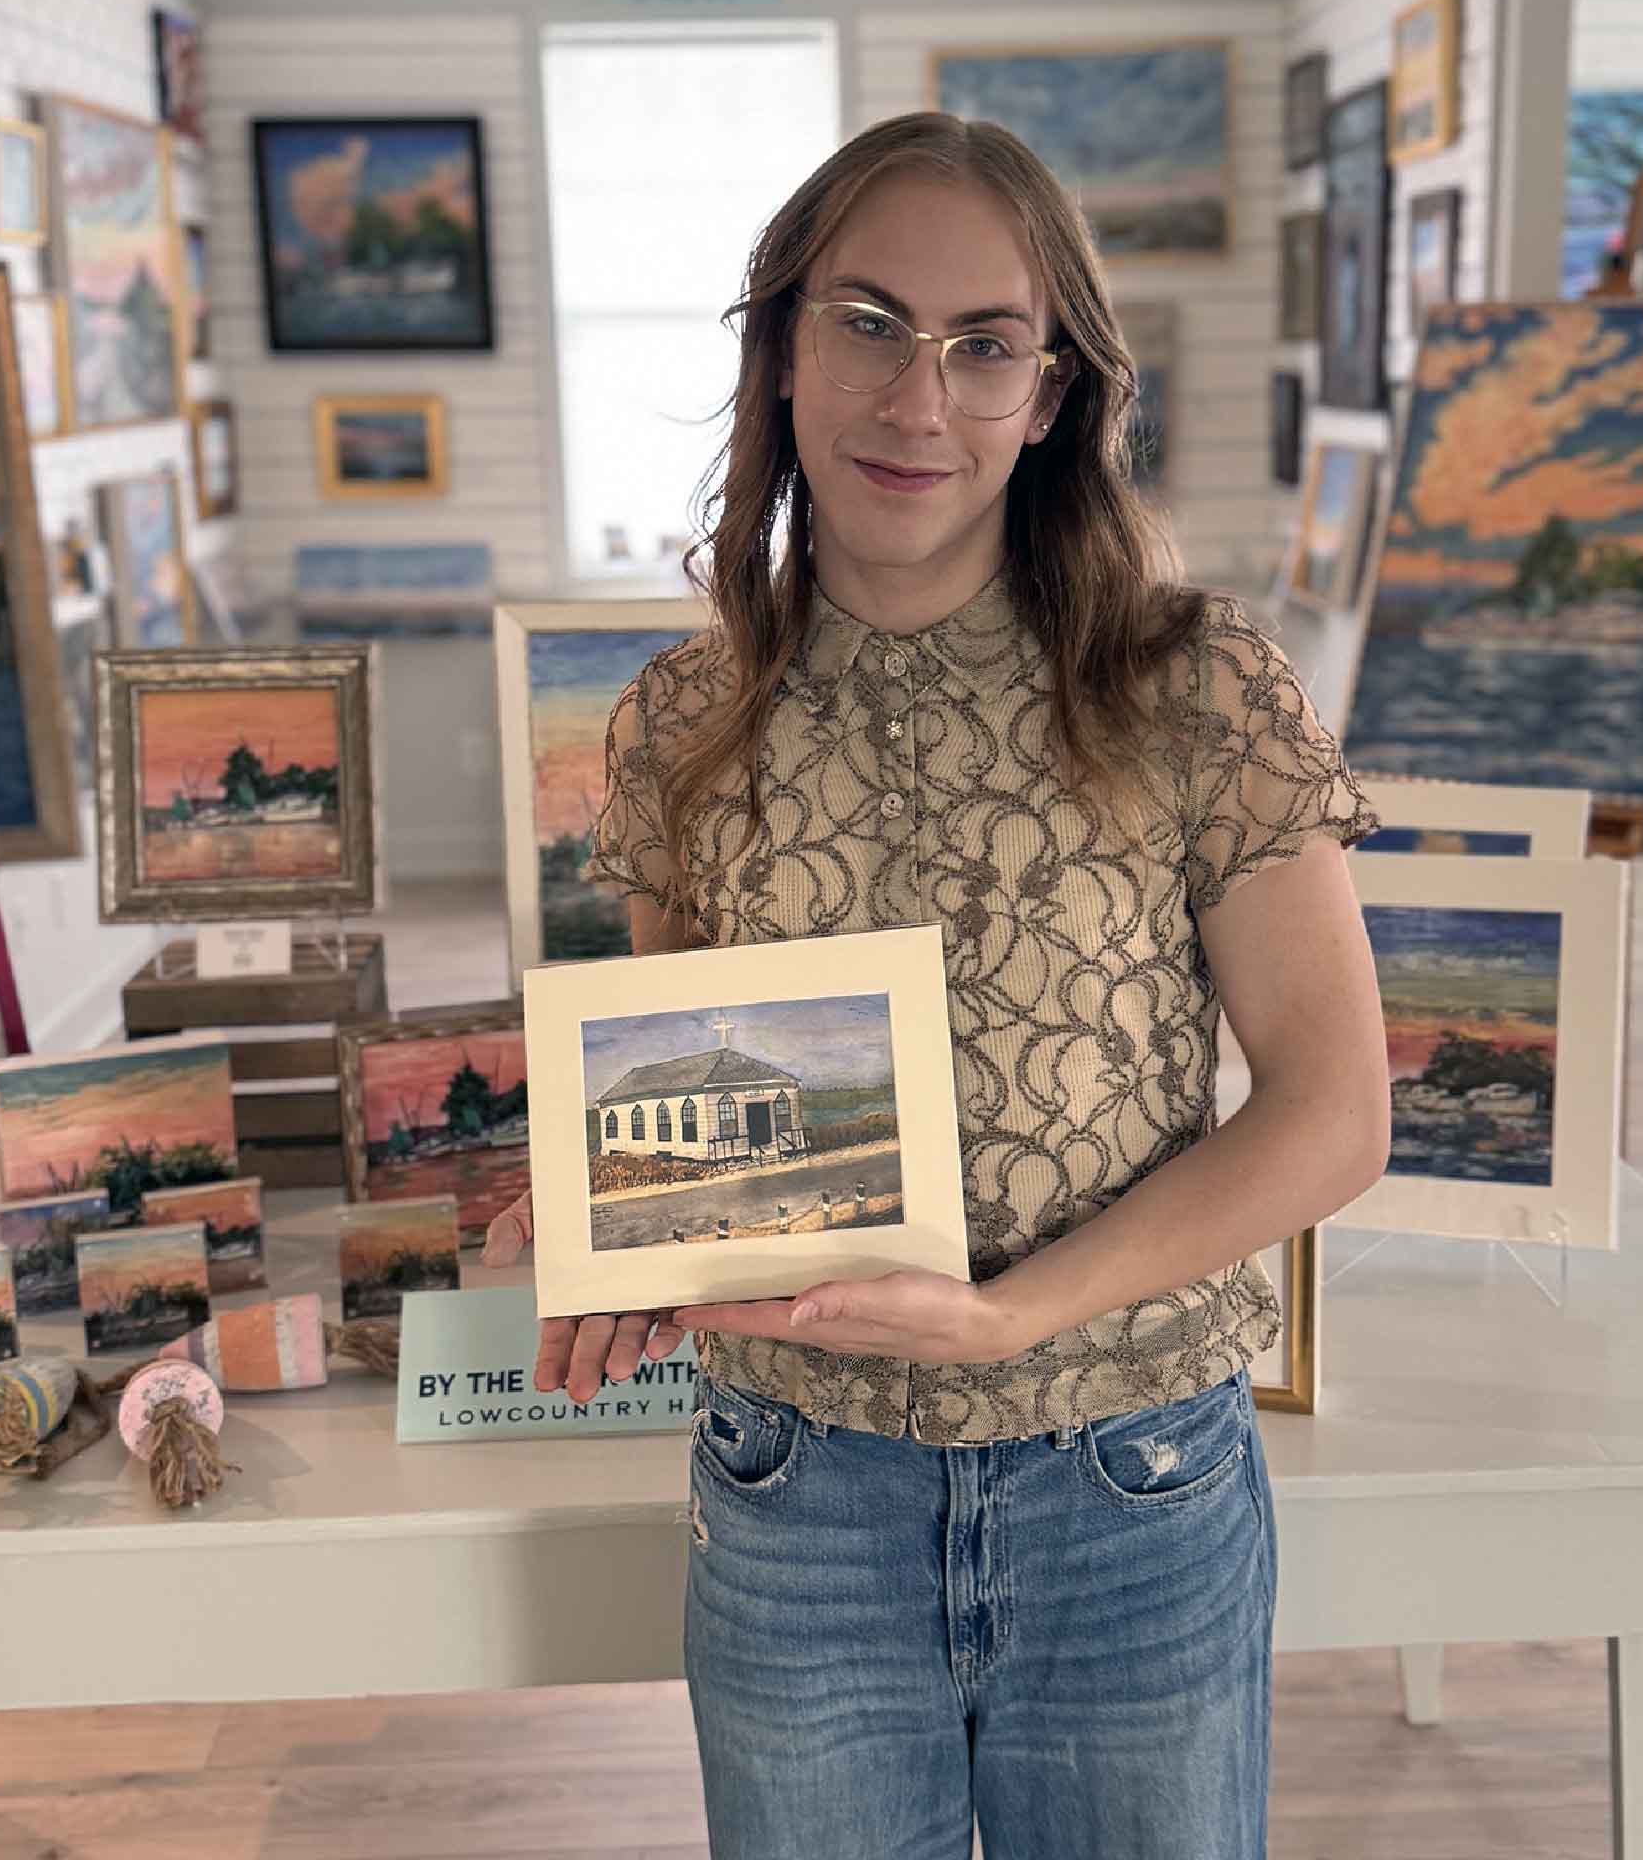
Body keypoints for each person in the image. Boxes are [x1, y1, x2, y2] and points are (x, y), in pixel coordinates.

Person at [499, 110, 1390, 1859]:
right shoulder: (677, 727)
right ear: (779, 345)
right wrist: (624, 1233)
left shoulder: (1194, 688)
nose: (923, 402)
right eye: (870, 323)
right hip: (798, 1487)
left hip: (1132, 1481)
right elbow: (695, 1121)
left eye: (987, 346)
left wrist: (1011, 1315)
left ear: (1052, 393)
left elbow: (1337, 1113)